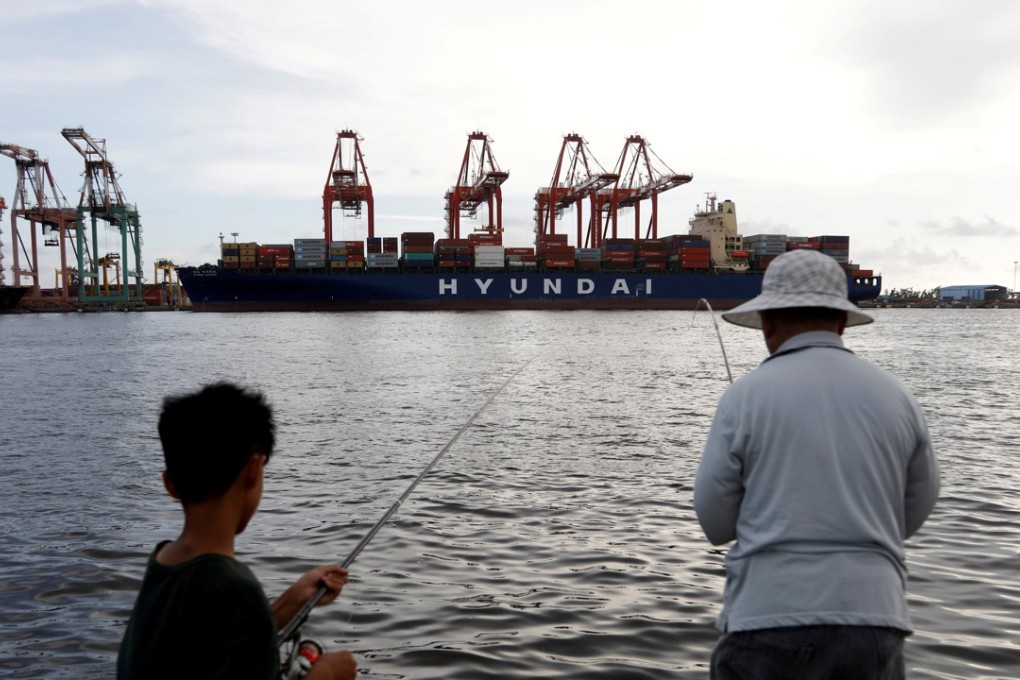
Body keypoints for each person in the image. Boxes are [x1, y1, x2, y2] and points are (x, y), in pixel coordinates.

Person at [694, 249, 940, 679]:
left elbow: (714, 519)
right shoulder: (897, 395)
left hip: (768, 615)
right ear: (843, 322)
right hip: (875, 618)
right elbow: (919, 501)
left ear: (767, 322)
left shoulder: (745, 396)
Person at [117, 382, 357, 680]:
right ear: (254, 470)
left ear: (170, 484)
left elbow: (214, 644)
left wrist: (294, 599)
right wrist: (326, 676)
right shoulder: (235, 590)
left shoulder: (165, 563)